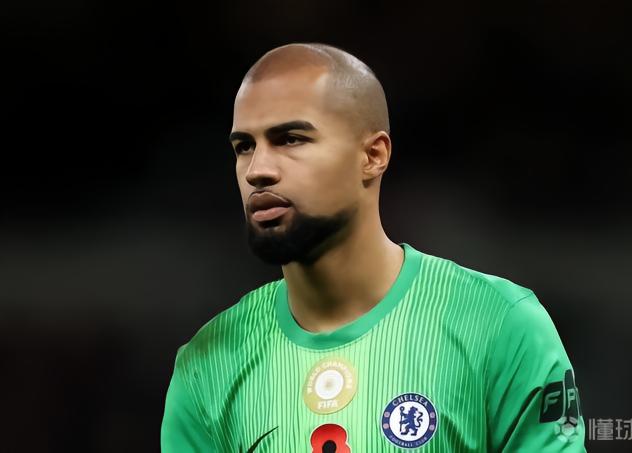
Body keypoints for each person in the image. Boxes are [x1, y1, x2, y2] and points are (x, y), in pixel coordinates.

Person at [160, 42, 586, 452]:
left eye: (290, 139)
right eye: (244, 147)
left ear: (373, 155)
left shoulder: (499, 324)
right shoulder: (206, 365)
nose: (257, 170)